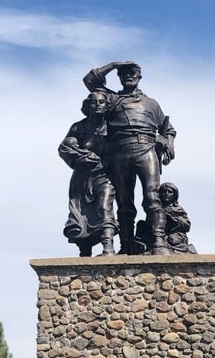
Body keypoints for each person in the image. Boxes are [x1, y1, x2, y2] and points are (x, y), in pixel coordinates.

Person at [82, 60, 176, 253]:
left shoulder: (151, 103)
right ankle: (126, 245)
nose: (128, 76)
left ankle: (159, 240)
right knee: (124, 202)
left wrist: (169, 144)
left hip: (146, 149)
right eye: (124, 73)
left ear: (139, 76)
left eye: (132, 73)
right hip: (120, 152)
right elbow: (90, 80)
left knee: (152, 196)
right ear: (119, 77)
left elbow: (168, 129)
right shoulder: (112, 99)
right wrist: (114, 65)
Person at [58, 90, 117, 255]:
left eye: (101, 102)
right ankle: (84, 251)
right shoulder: (79, 127)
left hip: (104, 175)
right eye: (94, 102)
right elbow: (64, 148)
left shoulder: (113, 127)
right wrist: (86, 156)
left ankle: (108, 246)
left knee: (104, 206)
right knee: (81, 212)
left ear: (107, 106)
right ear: (87, 106)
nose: (97, 105)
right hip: (82, 177)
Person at [135, 180, 195, 254]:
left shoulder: (177, 209)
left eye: (169, 192)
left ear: (174, 195)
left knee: (172, 239)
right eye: (164, 192)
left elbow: (187, 225)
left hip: (174, 233)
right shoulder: (155, 209)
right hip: (157, 234)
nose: (166, 194)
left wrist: (174, 221)